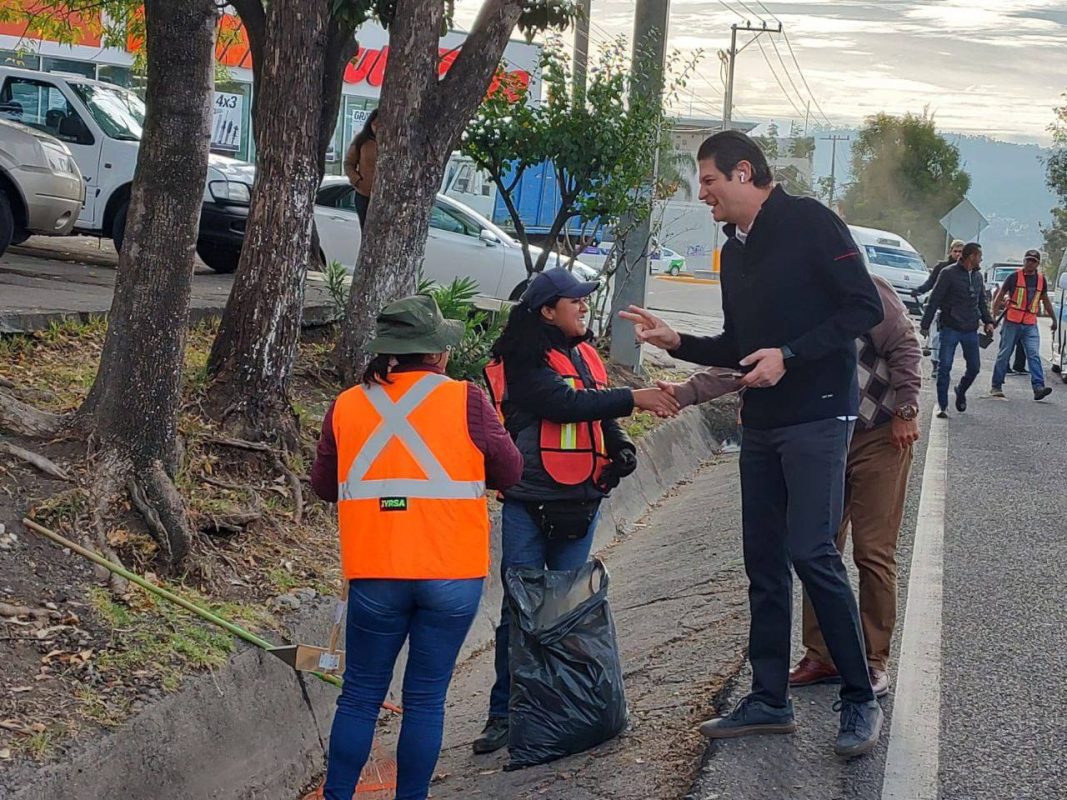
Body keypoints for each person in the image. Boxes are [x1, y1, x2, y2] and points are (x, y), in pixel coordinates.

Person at [621, 130, 885, 758]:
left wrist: (789, 355)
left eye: (710, 181)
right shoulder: (732, 252)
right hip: (761, 422)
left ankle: (860, 697)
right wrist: (677, 342)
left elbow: (863, 309)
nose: (703, 194)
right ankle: (769, 699)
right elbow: (739, 344)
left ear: (744, 172)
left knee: (812, 553)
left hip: (819, 413)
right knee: (763, 562)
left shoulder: (811, 222)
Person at [310, 295, 523, 800]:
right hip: (452, 571)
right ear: (436, 353)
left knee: (360, 697)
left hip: (375, 569)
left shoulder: (346, 404)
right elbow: (511, 470)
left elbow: (323, 485)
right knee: (425, 699)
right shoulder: (466, 399)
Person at [471, 267, 679, 755]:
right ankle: (504, 713)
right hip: (530, 501)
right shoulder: (521, 358)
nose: (584, 306)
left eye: (585, 299)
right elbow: (561, 402)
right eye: (575, 300)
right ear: (548, 311)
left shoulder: (585, 354)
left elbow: (596, 409)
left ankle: (563, 708)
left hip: (581, 501)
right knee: (520, 609)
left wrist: (621, 445)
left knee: (568, 611)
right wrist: (637, 398)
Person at [919, 242, 995, 418]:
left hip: (970, 329)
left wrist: (988, 321)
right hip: (950, 327)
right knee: (944, 367)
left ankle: (961, 390)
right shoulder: (948, 273)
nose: (981, 259)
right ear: (971, 256)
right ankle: (943, 405)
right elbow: (935, 299)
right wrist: (925, 325)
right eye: (979, 256)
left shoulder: (978, 276)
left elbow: (981, 301)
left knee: (974, 368)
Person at [989, 249, 1056, 401]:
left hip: (1030, 323)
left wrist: (1053, 319)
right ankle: (996, 385)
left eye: (1033, 261)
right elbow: (999, 296)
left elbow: (1045, 300)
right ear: (1024, 261)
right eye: (1028, 260)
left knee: (1033, 354)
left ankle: (1038, 387)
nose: (1030, 263)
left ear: (1038, 264)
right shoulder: (1014, 277)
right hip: (1012, 321)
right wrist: (993, 316)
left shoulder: (1041, 280)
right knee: (1005, 353)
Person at [914, 239, 964, 379]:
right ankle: (936, 364)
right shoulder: (942, 267)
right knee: (936, 338)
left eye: (961, 252)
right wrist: (919, 290)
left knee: (950, 340)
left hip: (957, 311)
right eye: (955, 251)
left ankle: (945, 365)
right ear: (950, 252)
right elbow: (930, 283)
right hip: (939, 308)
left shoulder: (967, 270)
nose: (958, 254)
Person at [343, 108, 379, 228]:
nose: (376, 128)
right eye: (374, 124)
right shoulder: (361, 140)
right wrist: (357, 180)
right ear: (370, 123)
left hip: (383, 196)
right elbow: (348, 163)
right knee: (366, 230)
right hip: (364, 195)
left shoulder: (393, 143)